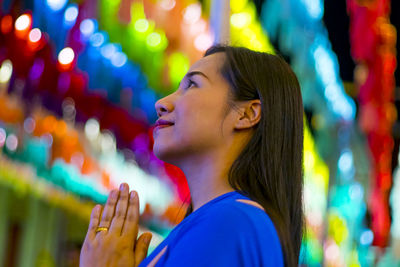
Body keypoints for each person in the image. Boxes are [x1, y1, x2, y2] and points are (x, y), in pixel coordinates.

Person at [79, 45, 304, 267]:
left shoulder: (227, 224)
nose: (161, 103)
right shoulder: (229, 221)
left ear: (246, 114)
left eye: (192, 85)